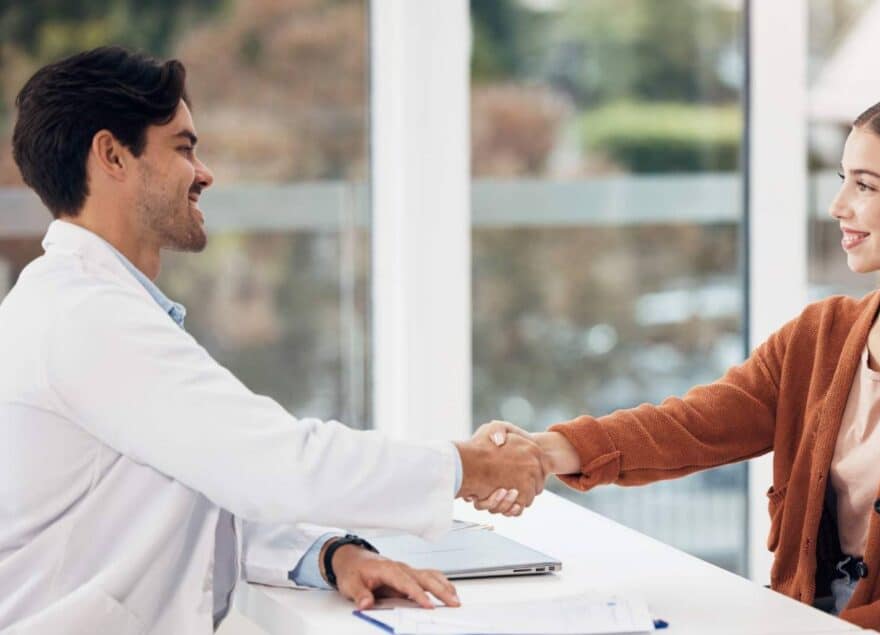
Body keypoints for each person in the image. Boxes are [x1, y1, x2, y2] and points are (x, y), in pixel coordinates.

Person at [0, 47, 545, 634]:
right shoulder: (87, 317)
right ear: (112, 155)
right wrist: (467, 466)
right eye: (183, 148)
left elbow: (212, 481)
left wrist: (333, 555)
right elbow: (278, 463)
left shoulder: (81, 304)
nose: (204, 173)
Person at [473, 92, 880, 634]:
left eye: (865, 185)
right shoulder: (820, 335)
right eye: (843, 180)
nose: (838, 206)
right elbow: (694, 425)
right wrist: (546, 449)